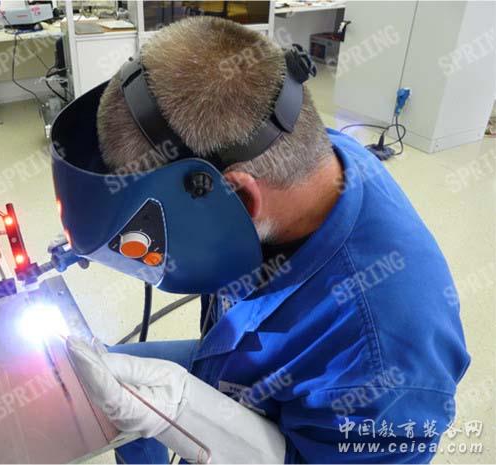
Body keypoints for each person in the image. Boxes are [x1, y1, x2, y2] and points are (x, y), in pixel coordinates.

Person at [65, 16, 470, 464]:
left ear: (238, 197)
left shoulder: (384, 361)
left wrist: (191, 417)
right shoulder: (294, 148)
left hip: (301, 418)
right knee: (106, 382)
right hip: (240, 357)